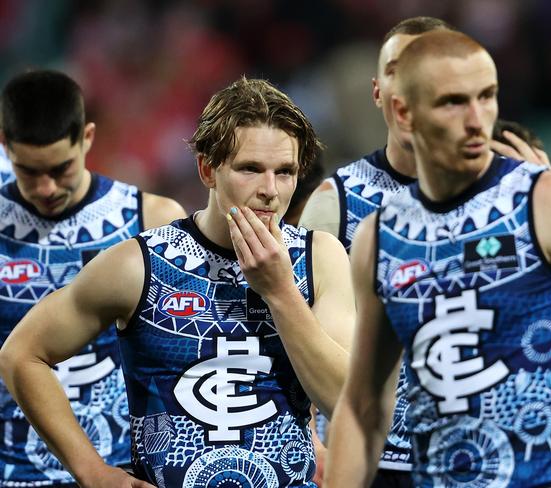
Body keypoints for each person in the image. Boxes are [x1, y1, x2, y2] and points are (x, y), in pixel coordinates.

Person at [324, 29, 551, 487]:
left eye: (487, 96)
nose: (477, 119)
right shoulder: (381, 238)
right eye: (453, 102)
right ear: (403, 112)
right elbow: (362, 407)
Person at [0, 77, 356, 488]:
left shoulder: (320, 257)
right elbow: (21, 354)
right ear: (207, 169)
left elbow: (345, 403)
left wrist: (279, 291)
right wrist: (92, 471)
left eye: (286, 172)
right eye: (250, 169)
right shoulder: (140, 263)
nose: (270, 191)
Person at [0, 69, 186, 487]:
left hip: (120, 473)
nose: (46, 188)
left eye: (61, 169)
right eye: (29, 171)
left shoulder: (153, 221)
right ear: (4, 145)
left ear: (87, 137)